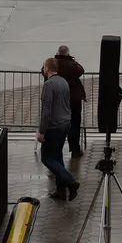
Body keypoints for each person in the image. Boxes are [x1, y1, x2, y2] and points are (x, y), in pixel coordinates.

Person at [36, 57, 78, 202]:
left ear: (47, 69)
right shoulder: (63, 82)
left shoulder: (49, 85)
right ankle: (61, 190)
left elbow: (46, 111)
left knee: (47, 158)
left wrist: (41, 132)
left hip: (53, 126)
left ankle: (71, 181)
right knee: (58, 156)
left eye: (43, 67)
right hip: (65, 123)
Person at [54, 45, 87, 157]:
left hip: (58, 99)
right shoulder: (72, 65)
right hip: (73, 99)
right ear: (67, 53)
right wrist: (71, 59)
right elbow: (81, 70)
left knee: (58, 124)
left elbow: (44, 71)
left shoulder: (54, 64)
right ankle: (75, 149)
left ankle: (56, 149)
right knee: (74, 123)